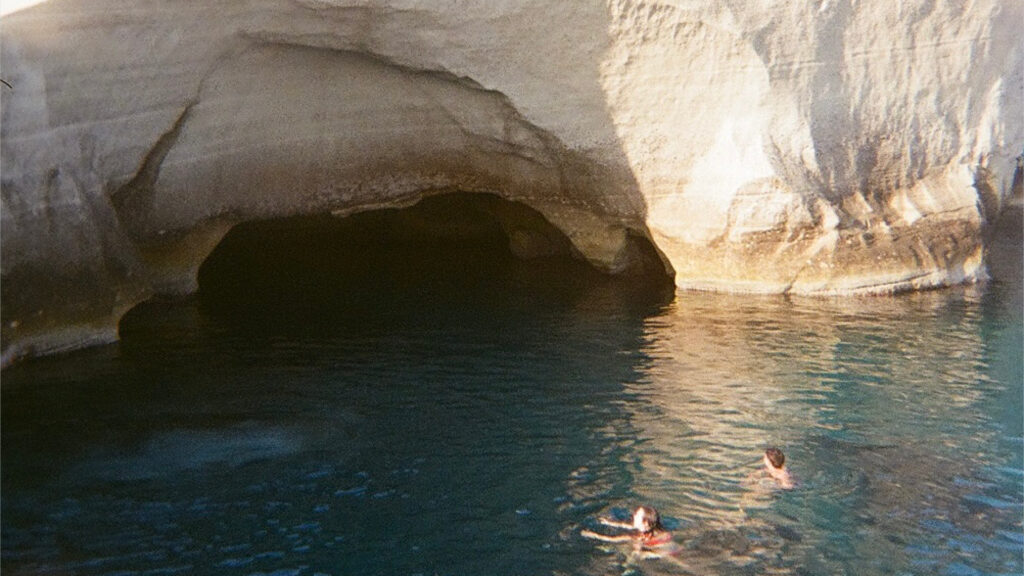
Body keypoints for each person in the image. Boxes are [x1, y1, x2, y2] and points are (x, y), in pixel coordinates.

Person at [581, 505, 675, 551]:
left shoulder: (636, 538)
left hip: (657, 550)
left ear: (645, 522)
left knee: (630, 549)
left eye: (637, 515)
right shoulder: (653, 528)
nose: (634, 516)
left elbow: (611, 539)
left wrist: (592, 534)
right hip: (663, 546)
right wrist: (609, 523)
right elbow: (626, 525)